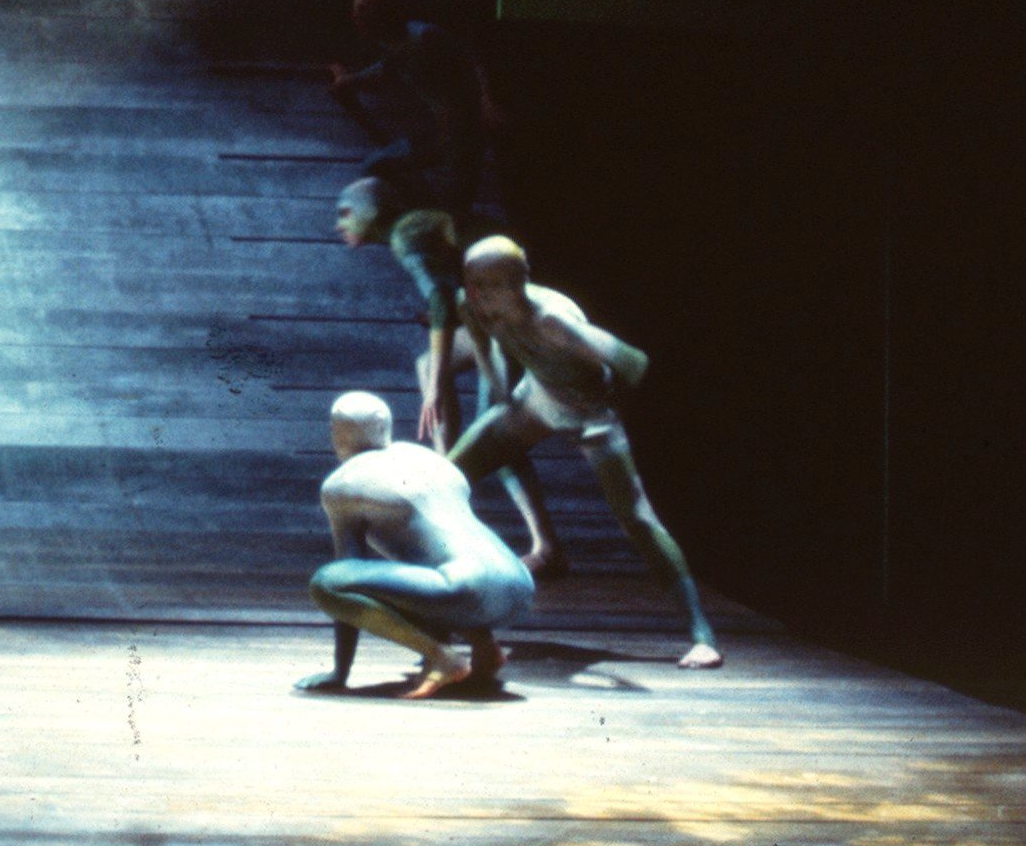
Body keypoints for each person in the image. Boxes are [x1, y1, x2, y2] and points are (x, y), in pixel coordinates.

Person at [448, 236, 723, 669]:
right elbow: (486, 344)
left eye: (491, 285)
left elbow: (633, 363)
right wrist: (501, 394)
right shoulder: (471, 304)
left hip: (590, 415)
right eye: (473, 282)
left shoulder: (553, 319)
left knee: (637, 519)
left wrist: (607, 386)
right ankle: (444, 609)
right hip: (536, 400)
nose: (479, 294)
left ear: (518, 285)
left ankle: (702, 635)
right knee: (444, 478)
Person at [333, 183, 567, 576]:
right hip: (494, 317)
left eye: (346, 212)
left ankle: (544, 547)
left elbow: (442, 299)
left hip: (514, 319)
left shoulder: (406, 236)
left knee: (495, 426)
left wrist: (435, 389)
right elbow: (453, 291)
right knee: (429, 367)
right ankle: (446, 474)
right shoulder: (413, 228)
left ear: (372, 210)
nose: (340, 223)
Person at [298, 391, 535, 699]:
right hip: (519, 586)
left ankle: (442, 658)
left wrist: (339, 673)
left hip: (466, 588)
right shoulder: (427, 459)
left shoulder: (342, 484)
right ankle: (485, 647)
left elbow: (346, 574)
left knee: (327, 583)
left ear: (338, 433)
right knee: (421, 574)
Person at [324, 0, 489, 223]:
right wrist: (350, 81)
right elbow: (387, 68)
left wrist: (486, 104)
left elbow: (471, 63)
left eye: (363, 10)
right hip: (442, 135)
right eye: (357, 10)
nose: (356, 17)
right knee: (377, 166)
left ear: (384, 13)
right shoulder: (398, 44)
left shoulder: (425, 38)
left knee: (455, 212)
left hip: (461, 139)